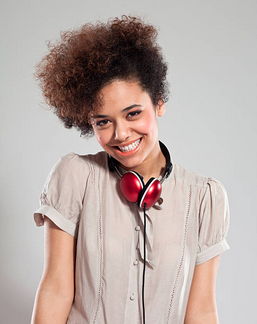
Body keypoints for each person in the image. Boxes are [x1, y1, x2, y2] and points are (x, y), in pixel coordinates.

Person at [31, 15, 230, 324]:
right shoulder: (74, 176)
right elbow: (56, 289)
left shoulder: (205, 198)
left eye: (133, 113)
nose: (120, 134)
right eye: (103, 121)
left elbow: (202, 310)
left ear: (159, 104)